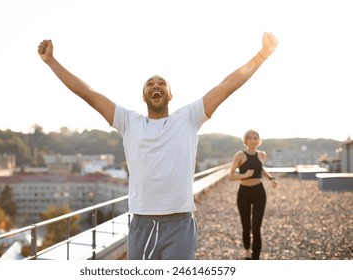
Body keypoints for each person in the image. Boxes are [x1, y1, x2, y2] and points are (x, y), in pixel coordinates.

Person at [37, 32, 278, 260]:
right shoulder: (128, 121)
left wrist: (262, 54)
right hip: (141, 223)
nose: (156, 85)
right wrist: (52, 62)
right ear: (144, 96)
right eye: (150, 84)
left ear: (170, 94)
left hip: (180, 223)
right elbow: (88, 93)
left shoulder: (189, 117)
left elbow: (227, 86)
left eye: (161, 83)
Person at [228, 129, 278, 260]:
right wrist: (244, 175)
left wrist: (271, 178)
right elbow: (231, 176)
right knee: (246, 226)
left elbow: (260, 169)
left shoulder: (262, 154)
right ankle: (247, 252)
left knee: (256, 228)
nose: (252, 140)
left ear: (258, 140)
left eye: (255, 138)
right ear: (245, 140)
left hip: (259, 193)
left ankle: (256, 258)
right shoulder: (239, 155)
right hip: (244, 193)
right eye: (250, 138)